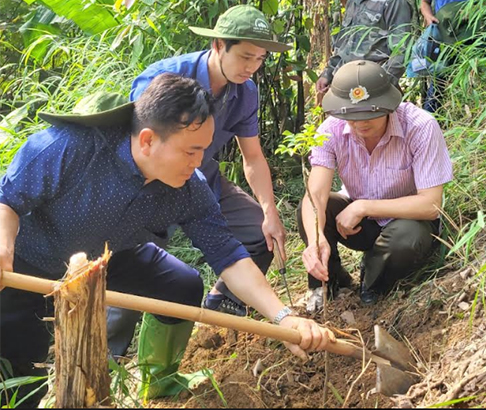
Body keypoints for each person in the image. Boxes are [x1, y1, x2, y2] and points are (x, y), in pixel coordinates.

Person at [0, 73, 335, 407]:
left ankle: (156, 385)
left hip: (111, 254)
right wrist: (3, 247)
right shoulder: (71, 146)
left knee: (182, 285)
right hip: (27, 265)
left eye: (203, 150)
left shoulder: (189, 189)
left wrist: (284, 317)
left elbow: (230, 257)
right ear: (147, 140)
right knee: (20, 379)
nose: (199, 161)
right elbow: (7, 200)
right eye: (190, 151)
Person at [106, 4, 293, 359]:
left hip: (202, 183)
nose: (252, 67)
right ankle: (109, 359)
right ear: (219, 45)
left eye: (260, 59)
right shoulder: (165, 81)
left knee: (258, 232)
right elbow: (134, 151)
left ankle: (224, 306)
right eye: (245, 57)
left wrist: (270, 212)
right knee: (123, 265)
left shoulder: (246, 92)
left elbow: (252, 157)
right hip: (151, 187)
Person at [299, 60, 453, 313]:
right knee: (314, 209)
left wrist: (363, 206)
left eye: (369, 115)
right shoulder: (330, 131)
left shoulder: (420, 126)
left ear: (389, 105)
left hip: (408, 220)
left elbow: (431, 204)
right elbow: (315, 194)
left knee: (405, 239)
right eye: (351, 116)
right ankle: (327, 284)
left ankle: (372, 288)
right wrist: (315, 239)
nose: (360, 124)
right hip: (358, 226)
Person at [315, 0, 413, 100]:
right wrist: (328, 73)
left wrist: (381, 84)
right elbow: (344, 44)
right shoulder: (353, 2)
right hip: (344, 84)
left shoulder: (395, 3)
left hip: (374, 87)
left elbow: (401, 51)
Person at [419, 0, 471, 113]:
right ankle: (429, 121)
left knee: (474, 76)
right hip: (445, 35)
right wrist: (429, 17)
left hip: (473, 35)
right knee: (439, 80)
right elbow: (424, 3)